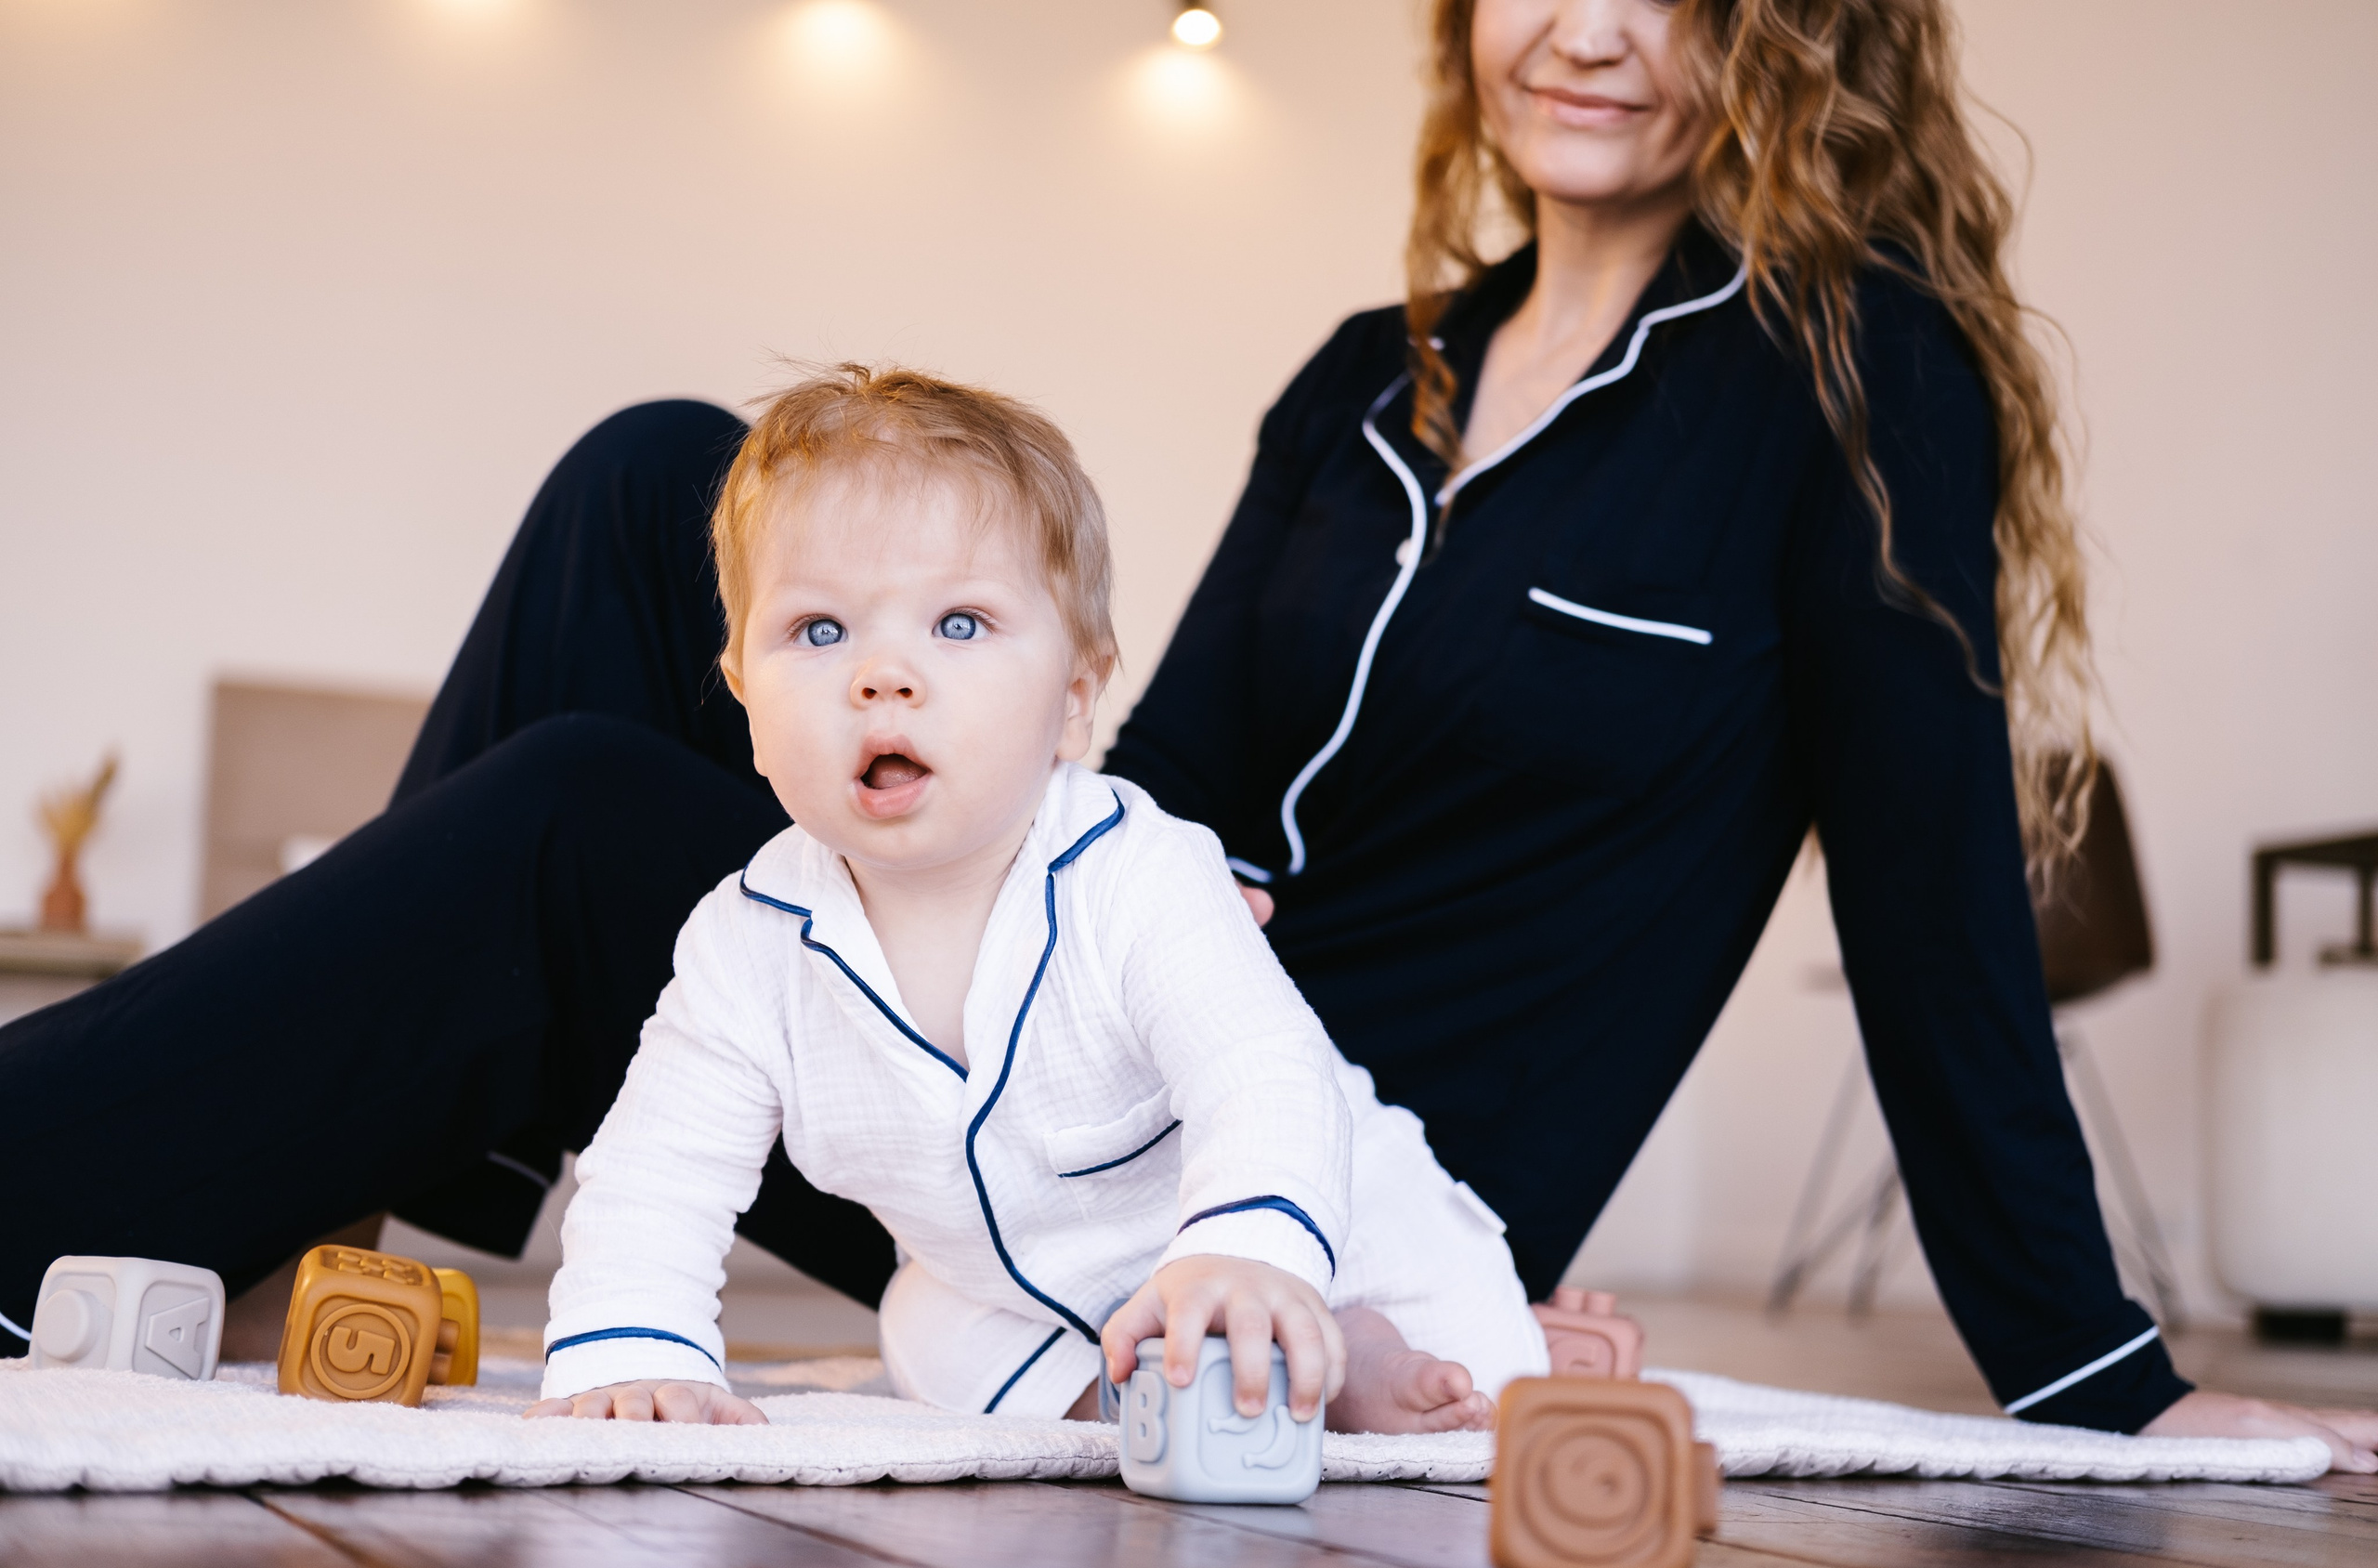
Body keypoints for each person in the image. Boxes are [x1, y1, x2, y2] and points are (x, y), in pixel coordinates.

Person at [2, 0, 2371, 1471]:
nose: (1586, 25)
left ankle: (94, 1177)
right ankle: (353, 1173)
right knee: (658, 480)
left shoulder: (1845, 384)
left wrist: (2095, 1374)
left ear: (1783, 22)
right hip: (1067, 1020)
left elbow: (1933, 869)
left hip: (1311, 1163)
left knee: (586, 828)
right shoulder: (1370, 371)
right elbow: (1182, 743)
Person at [523, 366, 1540, 1431]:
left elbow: (1263, 1072)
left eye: (958, 624)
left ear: (1073, 702)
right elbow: (657, 1165)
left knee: (1490, 1383)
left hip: (1322, 1234)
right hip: (1027, 1295)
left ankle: (1348, 1355)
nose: (882, 673)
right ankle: (1134, 1400)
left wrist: (1249, 1250)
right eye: (818, 631)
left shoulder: (1135, 870)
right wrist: (631, 1341)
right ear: (742, 693)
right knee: (924, 1328)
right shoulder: (746, 940)